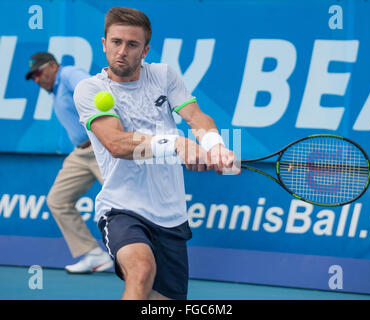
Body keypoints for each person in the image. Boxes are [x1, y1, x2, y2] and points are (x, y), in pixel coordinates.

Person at [74, 6, 240, 300]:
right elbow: (116, 143)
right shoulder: (90, 90)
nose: (122, 51)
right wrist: (176, 144)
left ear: (145, 49)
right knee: (141, 270)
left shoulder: (163, 75)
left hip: (171, 216)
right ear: (104, 43)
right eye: (115, 42)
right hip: (122, 209)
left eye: (132, 44)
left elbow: (196, 117)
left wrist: (216, 147)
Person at [25, 52, 113, 274]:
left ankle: (153, 255)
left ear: (53, 66)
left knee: (128, 200)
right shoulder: (55, 90)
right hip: (81, 154)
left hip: (102, 148)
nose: (36, 79)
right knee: (57, 200)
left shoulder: (69, 74)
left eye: (38, 73)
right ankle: (94, 255)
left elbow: (91, 89)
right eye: (32, 76)